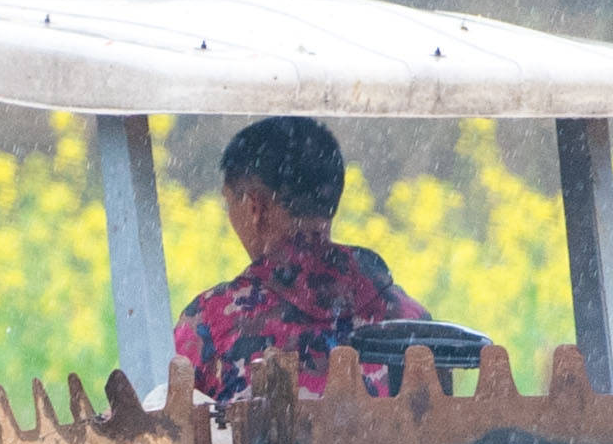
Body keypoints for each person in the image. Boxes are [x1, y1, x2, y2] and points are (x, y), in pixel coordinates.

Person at [171, 115, 429, 403]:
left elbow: (174, 431)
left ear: (254, 206)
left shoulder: (211, 321)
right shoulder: (409, 318)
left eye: (229, 202)